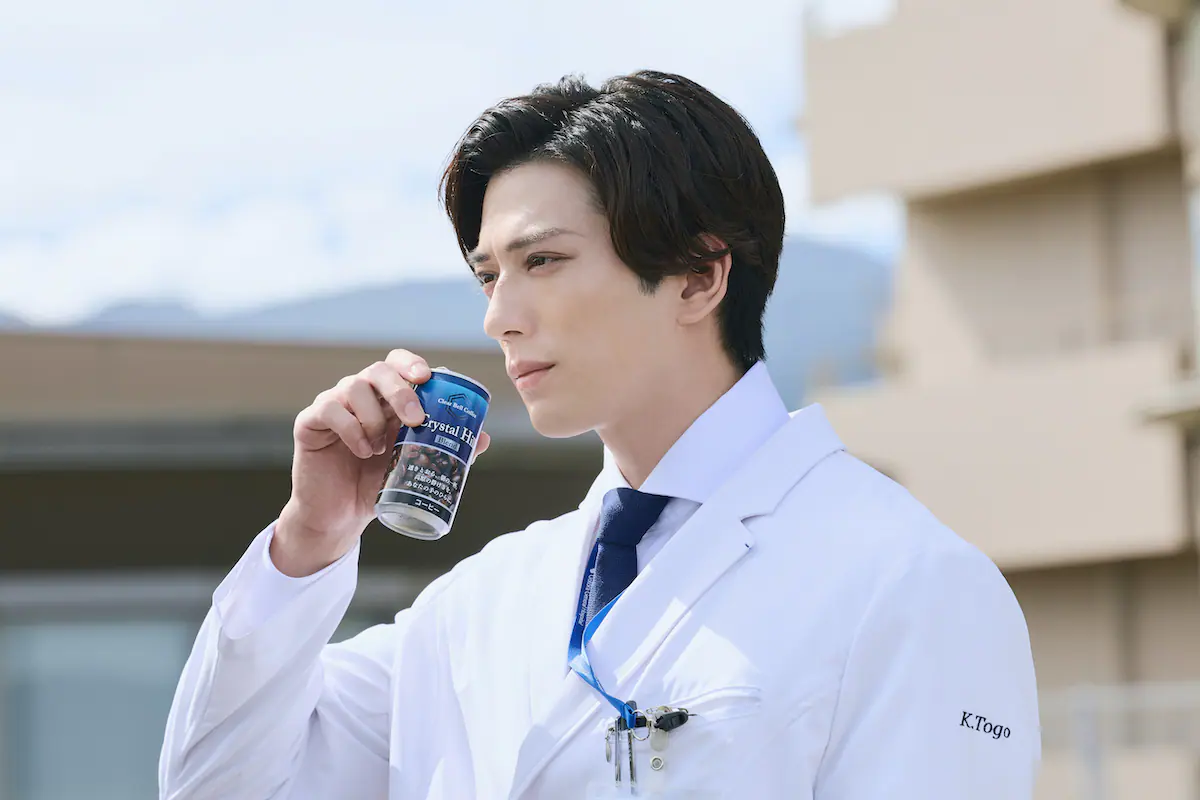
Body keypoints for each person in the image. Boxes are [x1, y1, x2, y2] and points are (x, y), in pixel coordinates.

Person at [159, 71, 1041, 799]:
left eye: (542, 261)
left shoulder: (910, 580)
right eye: (488, 276)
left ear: (698, 277)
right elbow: (214, 787)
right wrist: (310, 542)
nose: (500, 316)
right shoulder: (480, 604)